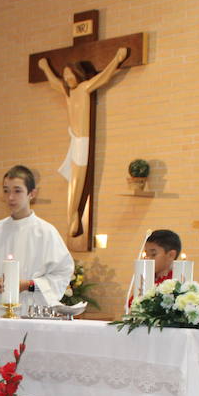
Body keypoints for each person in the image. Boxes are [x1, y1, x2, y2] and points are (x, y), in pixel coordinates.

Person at [37, 47, 130, 247]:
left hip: (82, 142)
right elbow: (54, 83)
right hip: (74, 140)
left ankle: (73, 216)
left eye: (70, 75)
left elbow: (104, 77)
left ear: (78, 75)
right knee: (72, 180)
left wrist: (117, 58)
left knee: (77, 180)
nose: (68, 79)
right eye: (65, 76)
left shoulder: (85, 87)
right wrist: (45, 67)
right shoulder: (68, 93)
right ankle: (72, 216)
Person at [0, 165, 75, 315]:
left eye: (17, 191)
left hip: (32, 311)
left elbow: (62, 272)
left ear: (32, 193)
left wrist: (28, 285)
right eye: (6, 190)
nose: (10, 197)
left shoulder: (46, 232)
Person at [137, 228, 192, 396]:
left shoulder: (180, 284)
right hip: (147, 359)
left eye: (153, 253)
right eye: (146, 253)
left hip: (169, 361)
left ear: (172, 255)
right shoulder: (145, 279)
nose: (147, 259)